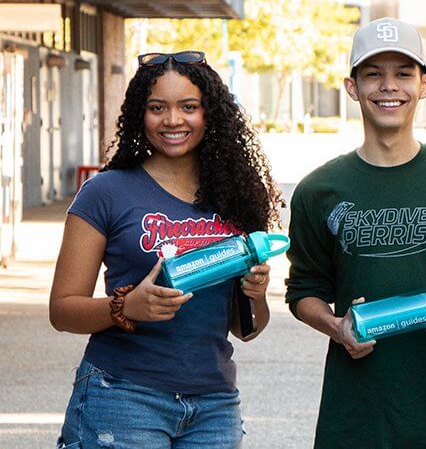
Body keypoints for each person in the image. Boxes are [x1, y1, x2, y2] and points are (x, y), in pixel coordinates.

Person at [285, 18, 426, 448]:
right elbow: (303, 291)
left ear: (425, 84)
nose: (389, 87)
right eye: (373, 74)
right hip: (354, 418)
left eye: (403, 73)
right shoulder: (317, 190)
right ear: (352, 87)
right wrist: (335, 325)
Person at [50, 50, 282, 448]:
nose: (173, 120)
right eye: (158, 107)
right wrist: (124, 307)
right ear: (141, 114)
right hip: (122, 395)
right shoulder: (106, 193)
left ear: (210, 114)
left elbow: (246, 329)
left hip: (214, 405)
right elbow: (62, 310)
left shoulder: (238, 197)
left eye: (188, 107)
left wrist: (256, 296)